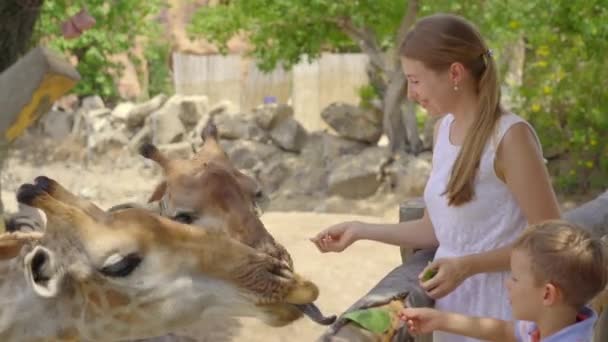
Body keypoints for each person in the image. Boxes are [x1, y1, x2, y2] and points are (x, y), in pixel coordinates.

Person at [310, 13, 561, 342]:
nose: (411, 93)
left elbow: (552, 240)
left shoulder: (510, 137)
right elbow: (436, 230)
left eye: (415, 80)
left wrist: (469, 266)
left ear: (455, 73)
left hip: (502, 310)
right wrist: (360, 230)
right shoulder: (444, 130)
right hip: (452, 313)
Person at [398, 220, 608, 341]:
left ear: (547, 294)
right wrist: (440, 320)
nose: (507, 283)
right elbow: (507, 331)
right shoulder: (552, 325)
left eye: (515, 278)